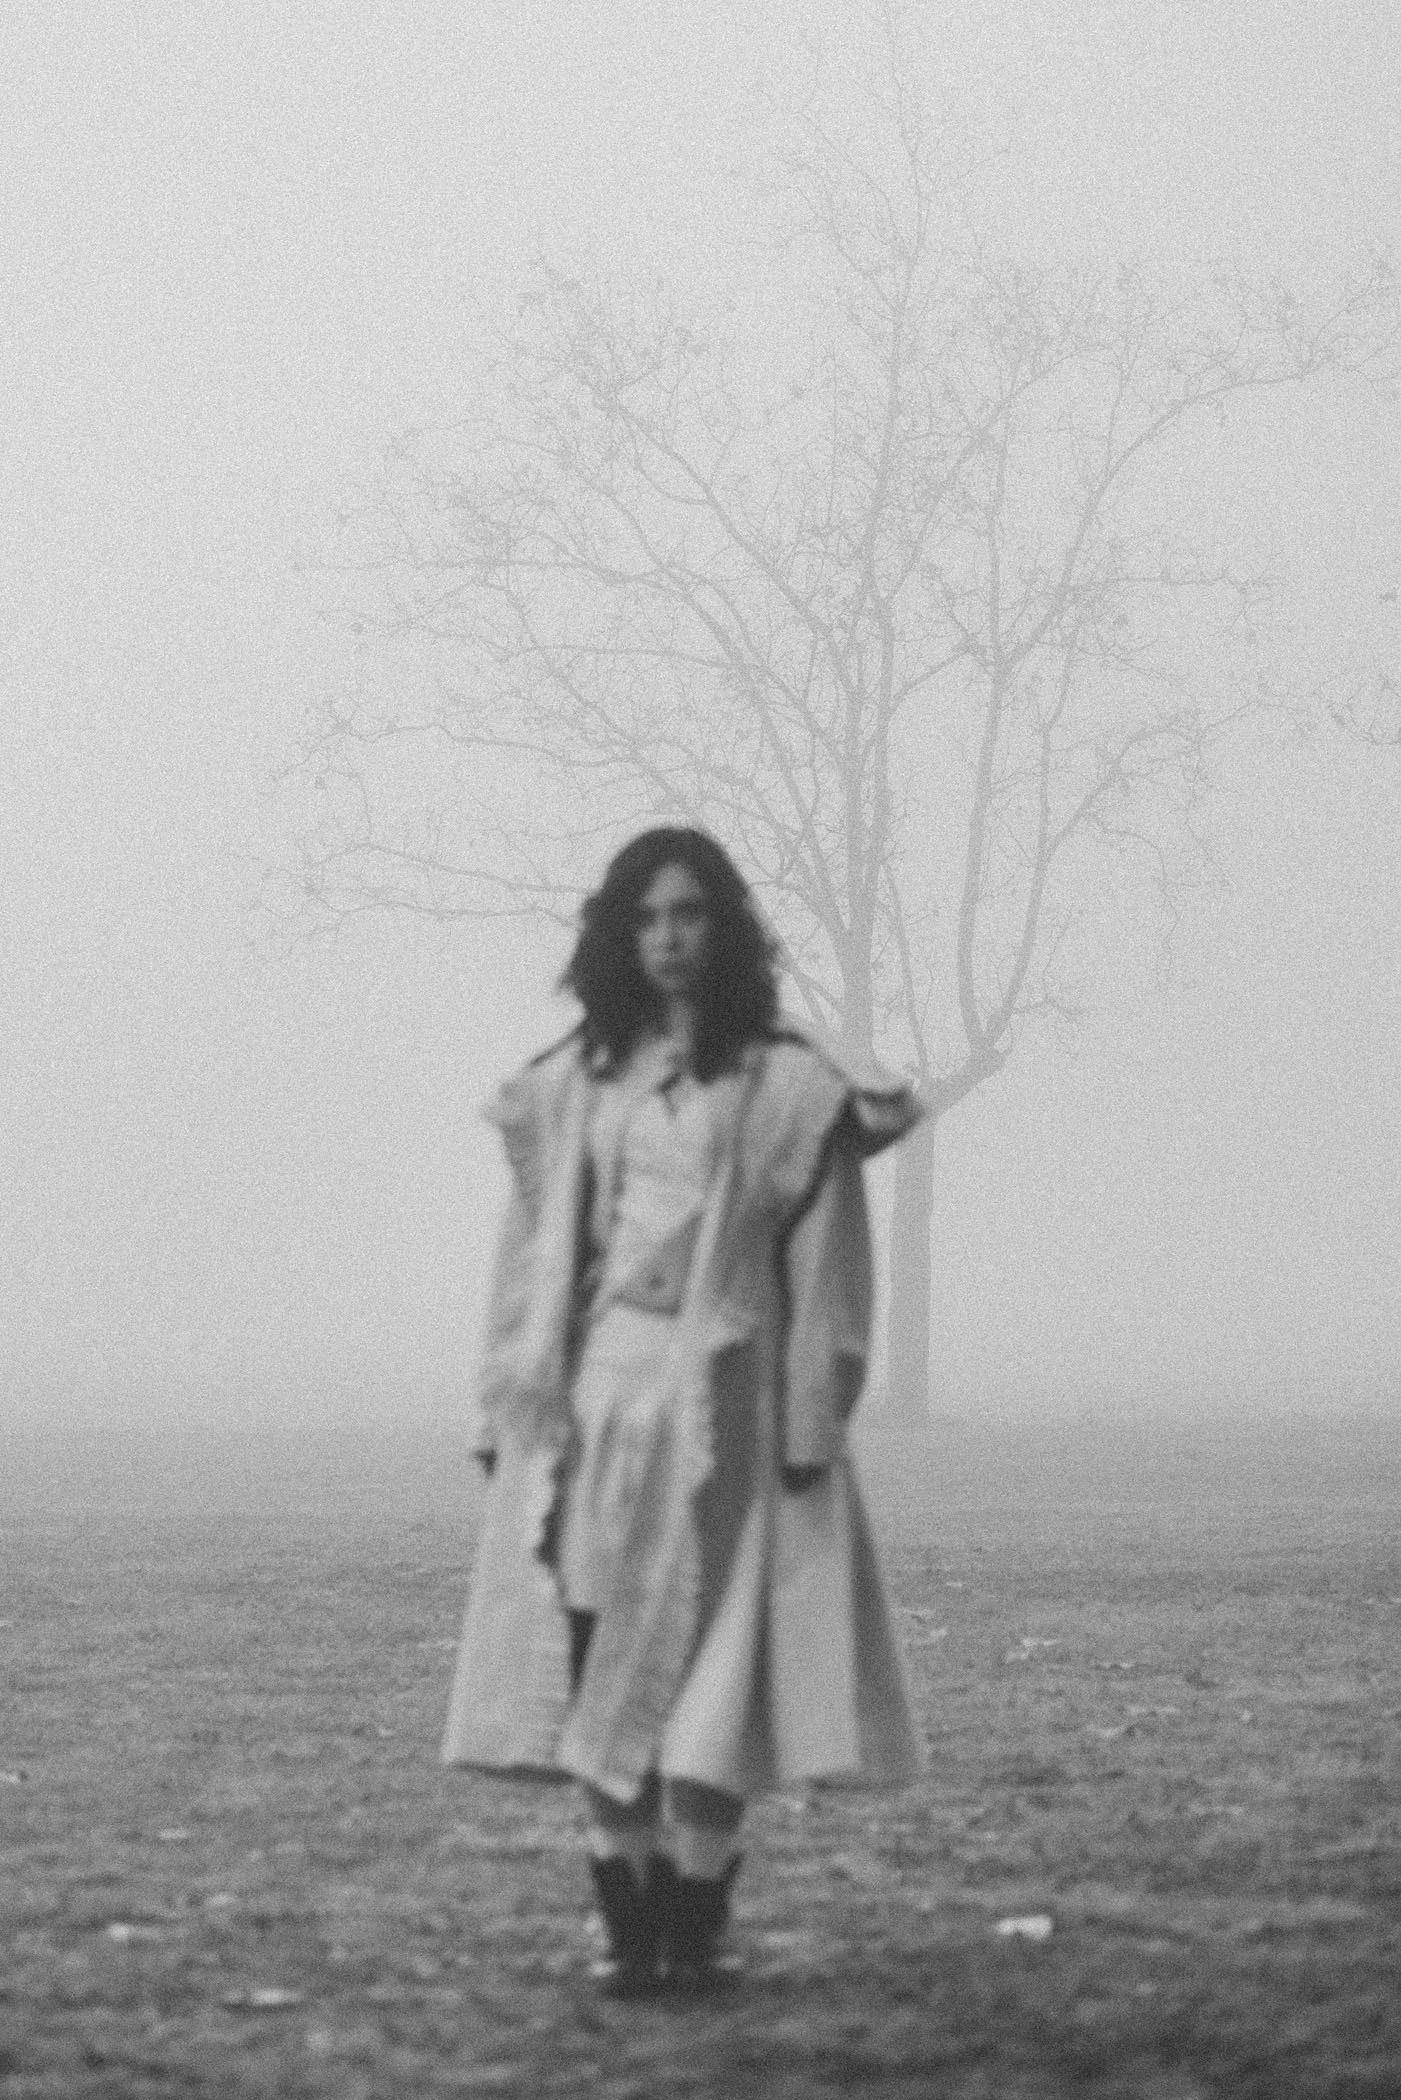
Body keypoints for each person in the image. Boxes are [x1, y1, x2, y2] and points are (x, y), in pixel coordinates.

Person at [441, 827, 925, 1995]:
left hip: (729, 1409)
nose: (669, 939)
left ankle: (698, 1917)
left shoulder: (787, 1082)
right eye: (648, 918)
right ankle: (628, 1920)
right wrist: (508, 1402)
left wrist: (817, 1409)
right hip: (598, 1404)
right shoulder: (576, 1082)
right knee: (599, 1646)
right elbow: (535, 1257)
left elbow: (826, 1265)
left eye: (691, 915)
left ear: (726, 928)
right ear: (620, 932)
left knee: (715, 1662)